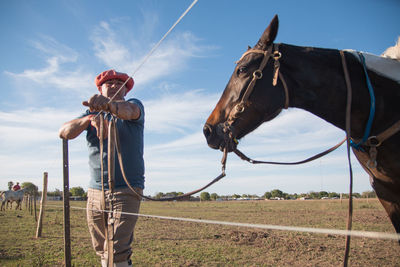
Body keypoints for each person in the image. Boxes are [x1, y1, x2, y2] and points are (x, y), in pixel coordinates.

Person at [59, 70, 145, 267]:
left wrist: (109, 106)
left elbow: (130, 111)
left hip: (127, 189)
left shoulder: (134, 105)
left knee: (116, 251)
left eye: (119, 83)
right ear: (100, 88)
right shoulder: (91, 114)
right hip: (95, 191)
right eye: (109, 83)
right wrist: (89, 120)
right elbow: (63, 132)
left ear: (125, 89)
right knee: (101, 248)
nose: (114, 85)